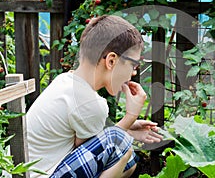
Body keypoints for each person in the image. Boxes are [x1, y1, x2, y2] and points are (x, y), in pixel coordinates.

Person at [26, 15, 163, 178]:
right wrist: (130, 117)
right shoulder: (89, 102)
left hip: (31, 172)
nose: (134, 72)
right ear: (111, 60)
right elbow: (96, 153)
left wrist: (130, 130)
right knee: (121, 145)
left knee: (128, 159)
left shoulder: (66, 81)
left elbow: (91, 148)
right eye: (133, 65)